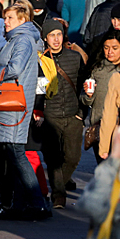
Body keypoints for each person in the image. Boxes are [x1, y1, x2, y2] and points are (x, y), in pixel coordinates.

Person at [0, 2, 50, 220]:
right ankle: (21, 205)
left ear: (22, 20)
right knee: (13, 153)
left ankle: (37, 203)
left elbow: (14, 69)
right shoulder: (13, 40)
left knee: (16, 152)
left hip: (16, 103)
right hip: (11, 103)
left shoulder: (22, 40)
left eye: (10, 18)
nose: (6, 22)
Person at [39, 19, 84, 209]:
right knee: (53, 157)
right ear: (46, 38)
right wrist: (39, 112)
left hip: (73, 114)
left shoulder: (75, 58)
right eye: (52, 36)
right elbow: (39, 89)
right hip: (51, 115)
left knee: (73, 157)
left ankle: (60, 183)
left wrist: (82, 112)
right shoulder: (41, 60)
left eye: (58, 35)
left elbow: (83, 84)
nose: (56, 39)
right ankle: (58, 195)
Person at [81, 29, 120, 161]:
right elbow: (86, 101)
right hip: (99, 127)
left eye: (115, 48)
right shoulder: (97, 69)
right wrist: (88, 95)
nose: (110, 52)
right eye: (106, 48)